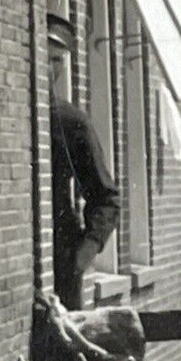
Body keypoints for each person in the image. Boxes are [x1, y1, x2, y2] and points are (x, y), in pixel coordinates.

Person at [48, 48, 120, 310]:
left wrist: (82, 256)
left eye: (53, 58)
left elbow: (106, 197)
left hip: (60, 260)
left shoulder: (69, 122)